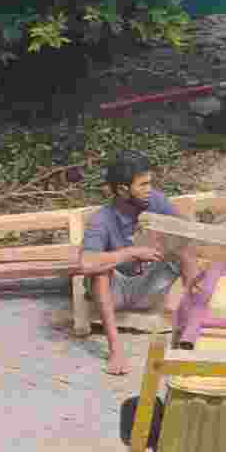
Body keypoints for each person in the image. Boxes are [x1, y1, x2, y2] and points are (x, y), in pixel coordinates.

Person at [78, 153, 203, 375]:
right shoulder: (102, 219)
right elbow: (86, 263)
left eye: (150, 183)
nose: (149, 189)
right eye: (143, 184)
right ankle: (116, 350)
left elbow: (186, 232)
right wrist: (133, 252)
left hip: (149, 286)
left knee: (184, 246)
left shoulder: (154, 201)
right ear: (122, 190)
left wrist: (163, 238)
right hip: (116, 293)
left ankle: (194, 326)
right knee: (99, 271)